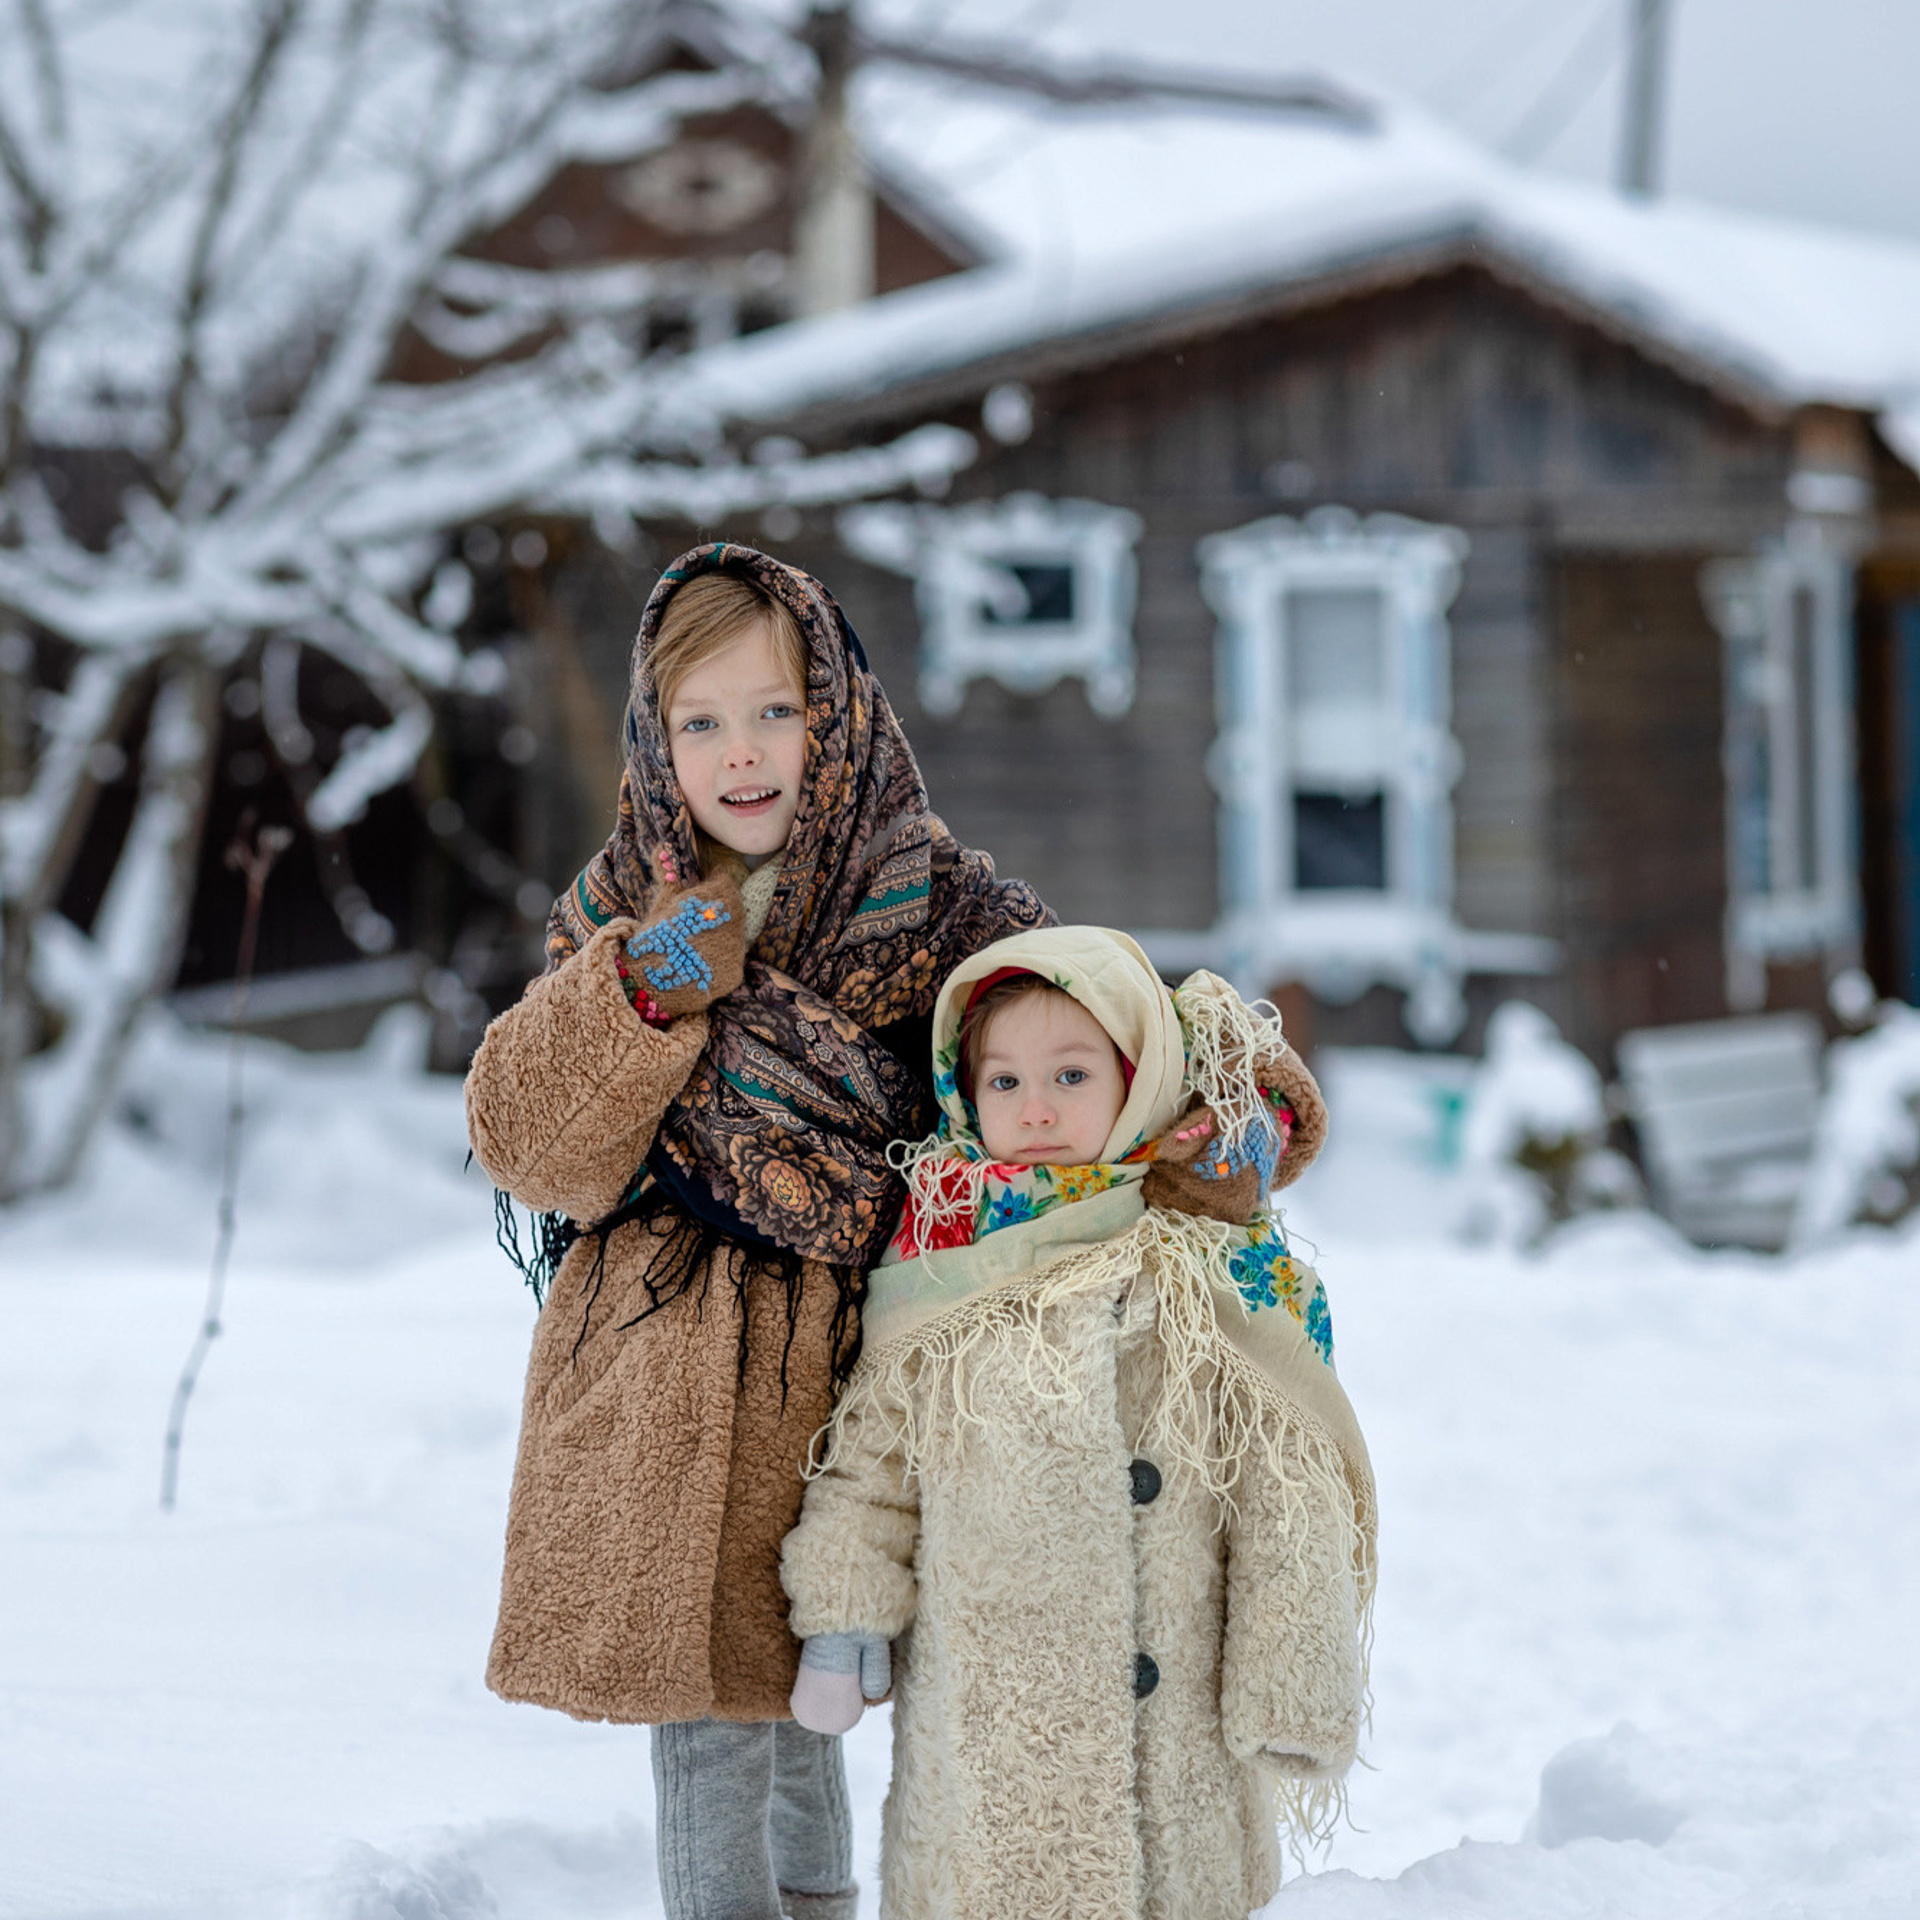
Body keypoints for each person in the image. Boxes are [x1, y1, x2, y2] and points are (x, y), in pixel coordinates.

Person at [464, 543, 1053, 1920]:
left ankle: (825, 1902)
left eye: (775, 711)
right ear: (656, 737)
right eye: (700, 721)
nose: (741, 754)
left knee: (814, 1694)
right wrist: (652, 981)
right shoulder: (628, 901)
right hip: (669, 1359)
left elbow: (1085, 1023)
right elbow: (526, 1140)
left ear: (837, 711)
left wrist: (1228, 1086)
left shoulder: (935, 902)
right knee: (712, 1707)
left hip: (866, 1347)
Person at [781, 926, 1376, 1920]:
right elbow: (872, 1464)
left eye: (1070, 1073)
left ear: (1138, 1081)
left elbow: (1287, 1485)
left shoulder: (1201, 1269)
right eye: (1004, 1083)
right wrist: (845, 1613)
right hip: (986, 1748)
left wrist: (1292, 1676)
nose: (1038, 1108)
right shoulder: (940, 1264)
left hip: (1176, 1757)